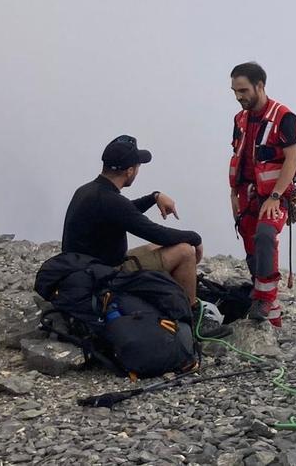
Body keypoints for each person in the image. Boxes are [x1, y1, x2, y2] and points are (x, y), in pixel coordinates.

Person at [61, 135, 230, 338]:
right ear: (129, 171)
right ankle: (193, 320)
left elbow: (126, 212)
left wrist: (154, 197)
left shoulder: (90, 191)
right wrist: (195, 238)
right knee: (184, 251)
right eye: (138, 166)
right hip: (106, 277)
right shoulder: (110, 200)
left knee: (154, 250)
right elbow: (156, 233)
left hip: (84, 272)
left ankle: (176, 302)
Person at [229, 61, 296, 327]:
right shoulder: (240, 119)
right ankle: (271, 322)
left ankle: (264, 298)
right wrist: (234, 196)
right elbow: (237, 156)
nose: (239, 96)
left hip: (275, 195)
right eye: (235, 91)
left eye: (243, 90)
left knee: (266, 236)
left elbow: (291, 160)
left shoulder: (284, 117)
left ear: (260, 86)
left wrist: (275, 196)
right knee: (252, 249)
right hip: (246, 194)